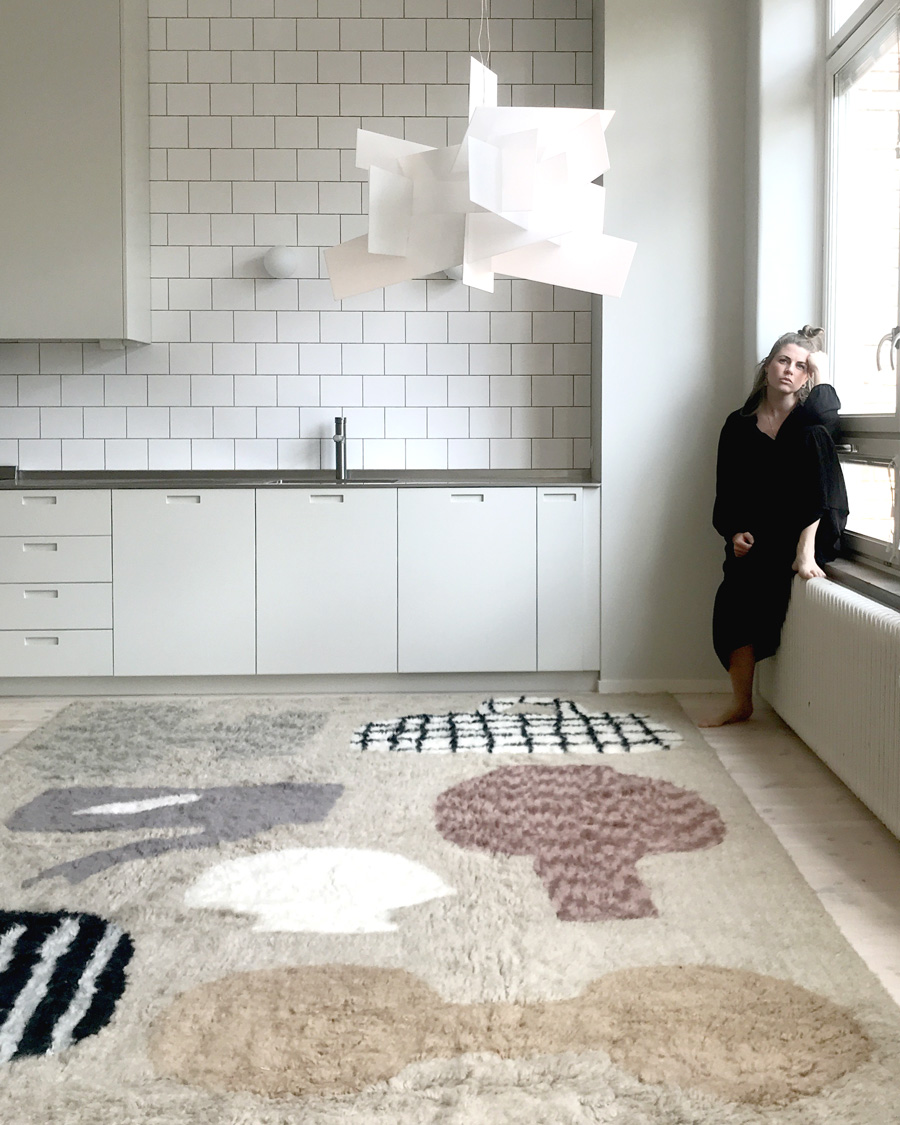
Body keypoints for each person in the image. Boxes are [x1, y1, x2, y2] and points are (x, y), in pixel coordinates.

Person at [700, 326, 848, 727]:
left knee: (814, 436)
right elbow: (726, 490)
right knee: (732, 600)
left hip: (810, 530)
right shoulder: (738, 424)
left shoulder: (808, 421)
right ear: (767, 367)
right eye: (783, 360)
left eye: (801, 366)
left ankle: (804, 551)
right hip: (760, 532)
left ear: (807, 378)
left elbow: (828, 428)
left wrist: (823, 369)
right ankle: (741, 702)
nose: (790, 370)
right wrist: (734, 532)